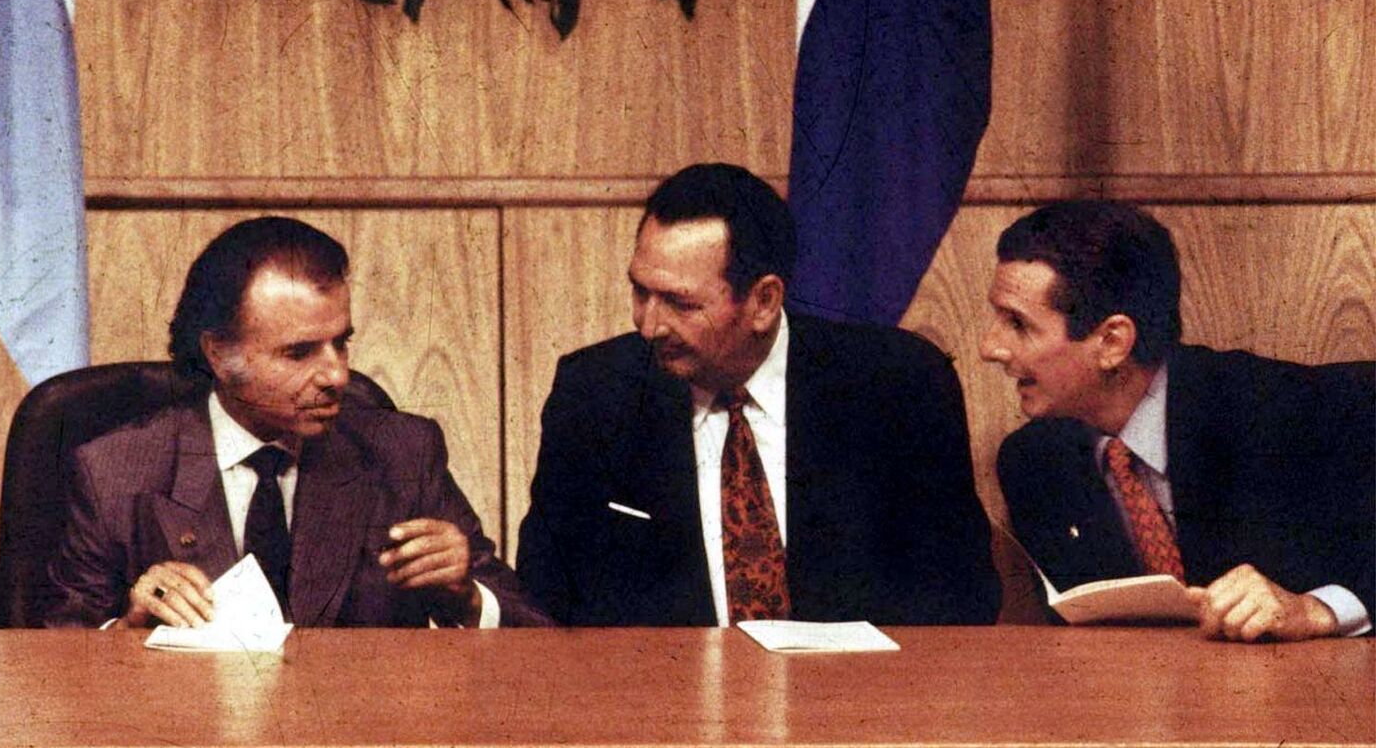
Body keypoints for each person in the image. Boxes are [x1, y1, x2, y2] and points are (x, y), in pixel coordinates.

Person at [516, 163, 1000, 627]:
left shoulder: (897, 386)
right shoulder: (595, 394)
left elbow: (962, 597)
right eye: (641, 292)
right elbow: (546, 600)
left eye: (680, 303)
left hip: (856, 700)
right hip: (664, 702)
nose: (648, 325)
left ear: (764, 302)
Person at [42, 216, 545, 629]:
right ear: (219, 354)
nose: (336, 375)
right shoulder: (115, 472)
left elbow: (536, 633)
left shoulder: (402, 454)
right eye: (300, 352)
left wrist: (468, 597)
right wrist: (130, 626)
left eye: (341, 342)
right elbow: (56, 658)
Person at [982, 200, 1374, 641]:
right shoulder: (1033, 462)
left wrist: (1316, 609)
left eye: (1017, 323)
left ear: (1112, 341)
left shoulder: (1280, 411)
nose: (989, 347)